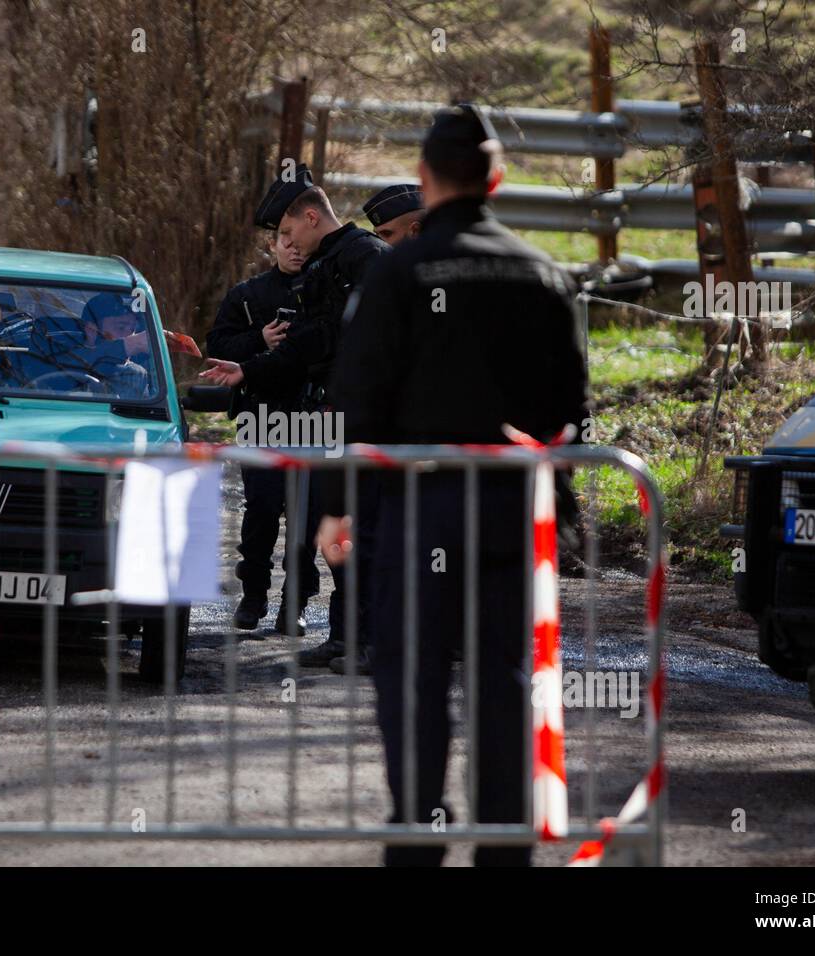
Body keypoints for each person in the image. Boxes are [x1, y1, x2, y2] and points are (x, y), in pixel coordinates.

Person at [316, 104, 590, 866]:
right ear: (496, 180)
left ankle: (420, 835)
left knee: (413, 676)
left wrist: (337, 507)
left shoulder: (397, 271)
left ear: (424, 180)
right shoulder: (542, 272)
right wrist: (558, 514)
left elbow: (356, 400)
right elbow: (571, 409)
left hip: (421, 507)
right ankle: (505, 848)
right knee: (506, 680)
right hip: (513, 510)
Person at [201, 164, 389, 668]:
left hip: (357, 418)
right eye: (278, 237)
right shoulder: (308, 272)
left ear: (310, 217)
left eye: (287, 231)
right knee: (307, 520)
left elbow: (366, 343)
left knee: (341, 525)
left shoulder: (363, 258)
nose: (286, 243)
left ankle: (362, 636)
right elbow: (312, 342)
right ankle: (342, 635)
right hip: (310, 413)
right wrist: (251, 365)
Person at [206, 230, 317, 634]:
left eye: (299, 238)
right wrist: (260, 339)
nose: (293, 245)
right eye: (284, 238)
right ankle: (253, 596)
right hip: (263, 415)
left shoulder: (327, 291)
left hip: (316, 417)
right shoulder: (248, 294)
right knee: (262, 511)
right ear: (271, 244)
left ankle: (296, 604)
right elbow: (216, 343)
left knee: (309, 516)